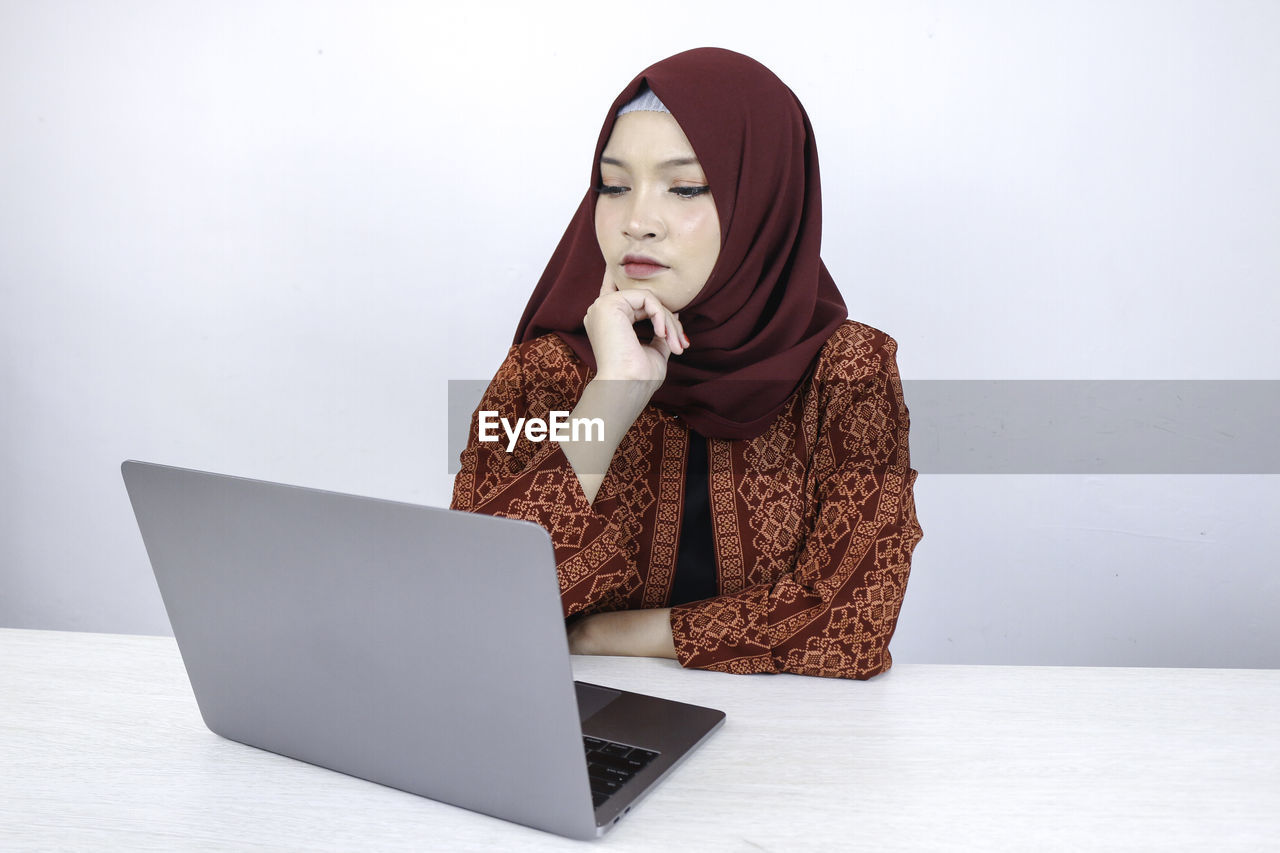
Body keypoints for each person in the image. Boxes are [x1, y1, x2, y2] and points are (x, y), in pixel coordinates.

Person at [451, 47, 922, 679]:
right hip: (570, 735)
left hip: (790, 748)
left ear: (765, 199)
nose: (637, 222)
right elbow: (469, 607)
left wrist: (597, 635)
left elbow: (851, 626)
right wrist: (609, 398)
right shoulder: (543, 376)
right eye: (614, 186)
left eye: (686, 187)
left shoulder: (847, 373)